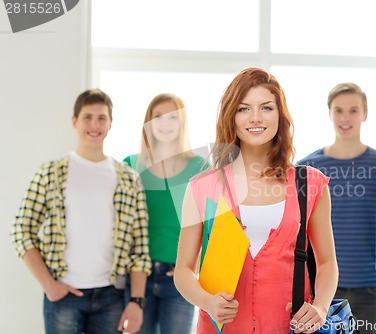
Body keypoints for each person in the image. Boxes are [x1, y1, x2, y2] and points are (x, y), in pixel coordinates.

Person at [174, 67, 338, 334]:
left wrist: (320, 307)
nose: (255, 118)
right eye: (243, 108)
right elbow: (183, 270)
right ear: (231, 116)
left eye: (266, 108)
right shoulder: (202, 187)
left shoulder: (310, 184)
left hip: (288, 327)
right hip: (221, 329)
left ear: (280, 115)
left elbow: (327, 262)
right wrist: (206, 301)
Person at [11, 89, 151, 334]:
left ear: (110, 124)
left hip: (111, 296)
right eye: (87, 117)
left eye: (101, 118)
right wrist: (49, 285)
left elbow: (139, 247)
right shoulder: (51, 173)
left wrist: (136, 301)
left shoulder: (129, 179)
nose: (94, 125)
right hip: (64, 295)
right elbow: (22, 230)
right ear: (74, 121)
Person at [297, 82, 376, 334]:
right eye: (338, 110)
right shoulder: (306, 168)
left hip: (370, 289)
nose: (345, 118)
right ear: (329, 113)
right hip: (317, 291)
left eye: (353, 110)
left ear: (365, 114)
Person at [123, 93, 207, 334]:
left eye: (173, 117)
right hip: (138, 276)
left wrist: (198, 262)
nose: (165, 124)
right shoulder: (130, 165)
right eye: (158, 117)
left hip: (179, 275)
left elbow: (213, 223)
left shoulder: (200, 167)